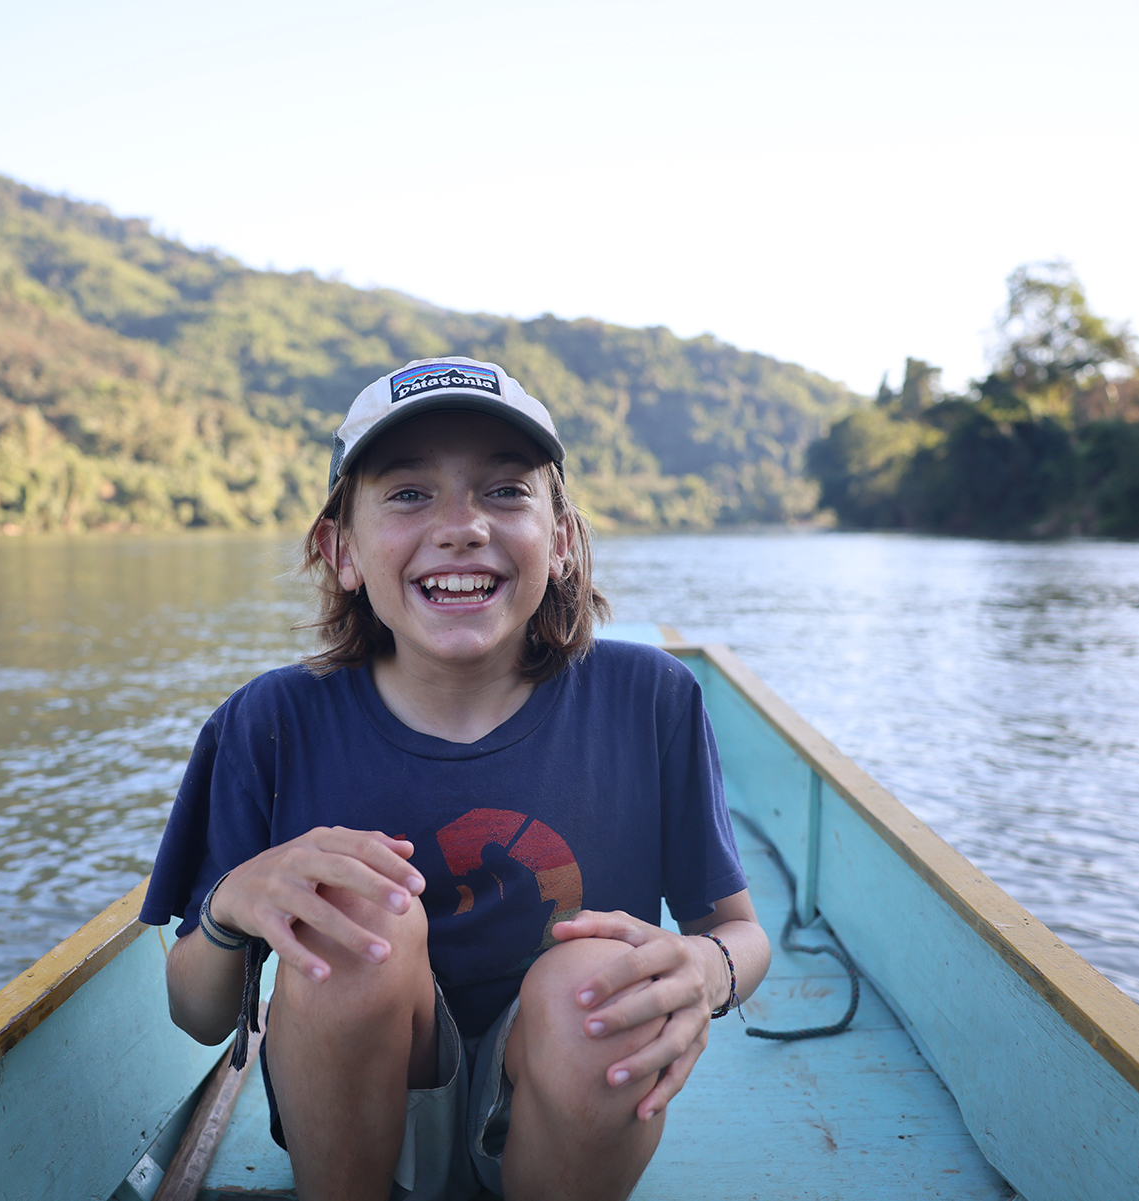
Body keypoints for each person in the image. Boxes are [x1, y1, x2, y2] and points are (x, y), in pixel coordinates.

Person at [140, 357, 769, 1201]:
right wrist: (228, 904)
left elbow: (738, 931)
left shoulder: (650, 700)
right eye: (409, 494)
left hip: (566, 1097)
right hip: (365, 1122)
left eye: (506, 491)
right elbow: (198, 1013)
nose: (462, 526)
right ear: (341, 550)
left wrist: (704, 969)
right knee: (354, 916)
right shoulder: (271, 722)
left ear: (562, 540)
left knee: (602, 982)